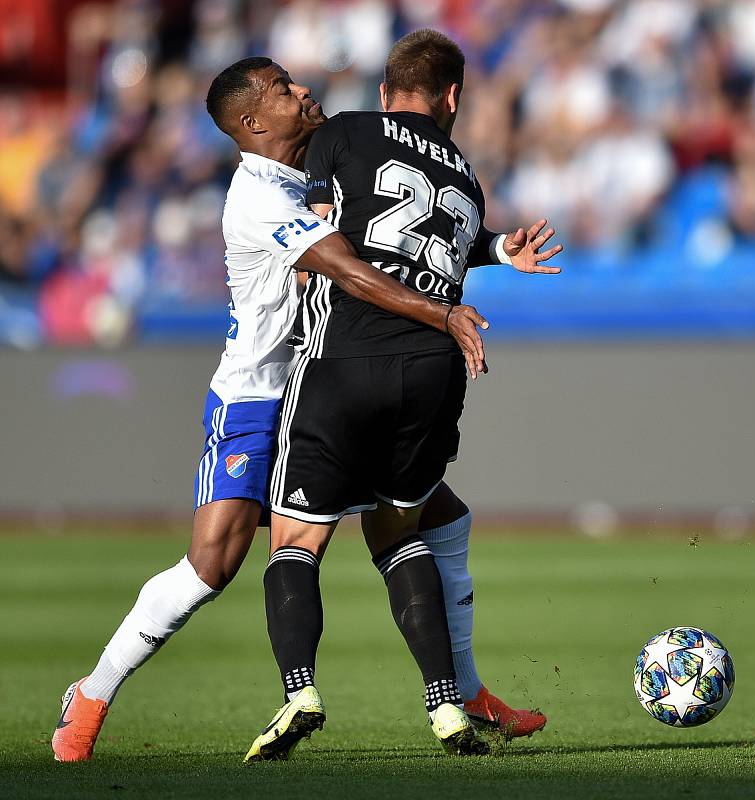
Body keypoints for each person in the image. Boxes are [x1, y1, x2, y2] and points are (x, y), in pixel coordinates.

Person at [51, 55, 490, 764]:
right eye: (284, 90)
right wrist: (443, 316)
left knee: (435, 514)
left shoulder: (318, 164)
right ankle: (94, 692)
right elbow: (348, 267)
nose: (303, 91)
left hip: (326, 387)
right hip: (259, 394)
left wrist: (494, 248)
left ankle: (466, 693)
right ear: (253, 123)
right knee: (211, 564)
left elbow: (399, 237)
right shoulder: (257, 196)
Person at [246, 29, 561, 762]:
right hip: (433, 370)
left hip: (345, 354)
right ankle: (446, 707)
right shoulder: (463, 173)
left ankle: (299, 692)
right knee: (397, 532)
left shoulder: (345, 131)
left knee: (296, 539)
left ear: (388, 89)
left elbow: (330, 233)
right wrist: (494, 247)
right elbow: (420, 230)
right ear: (451, 98)